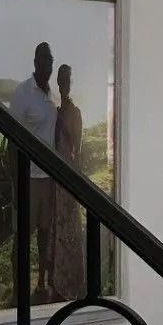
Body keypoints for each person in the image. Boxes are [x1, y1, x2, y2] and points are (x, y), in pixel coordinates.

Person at [8, 42, 58, 302]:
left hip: (48, 180)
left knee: (44, 234)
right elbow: (10, 139)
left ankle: (41, 283)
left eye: (50, 60)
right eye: (43, 59)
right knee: (22, 238)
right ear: (35, 61)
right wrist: (16, 184)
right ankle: (19, 289)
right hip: (28, 179)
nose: (47, 64)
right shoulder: (22, 93)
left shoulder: (53, 95)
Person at [51, 63, 88, 302]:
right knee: (59, 225)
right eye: (62, 79)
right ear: (58, 82)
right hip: (56, 174)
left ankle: (73, 280)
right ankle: (59, 279)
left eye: (67, 79)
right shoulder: (56, 111)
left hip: (69, 174)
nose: (64, 83)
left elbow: (78, 147)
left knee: (70, 226)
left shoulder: (73, 112)